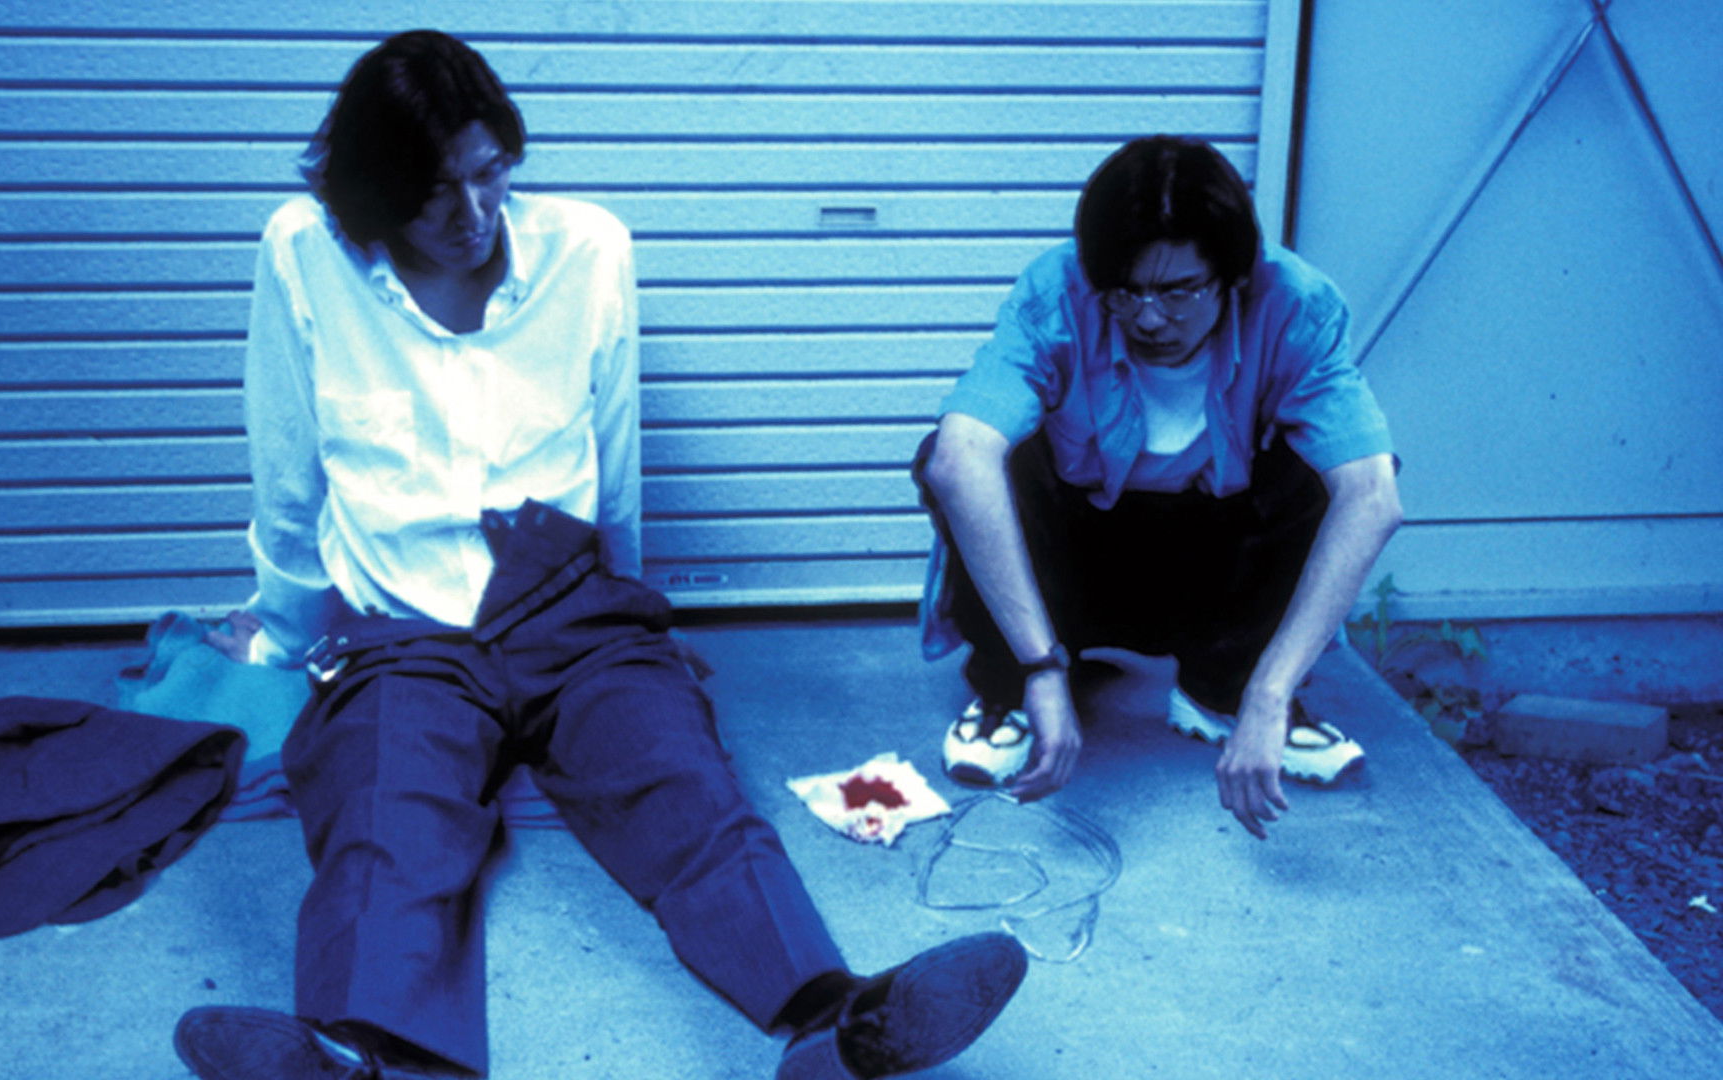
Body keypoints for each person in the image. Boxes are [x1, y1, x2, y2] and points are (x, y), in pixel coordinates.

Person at [170, 30, 1027, 1080]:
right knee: (386, 820)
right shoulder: (304, 249)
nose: (472, 213)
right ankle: (352, 1053)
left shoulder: (588, 249)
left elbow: (616, 460)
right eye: (433, 193)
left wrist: (632, 621)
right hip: (405, 628)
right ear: (371, 195)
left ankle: (832, 1022)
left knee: (688, 790)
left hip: (569, 604)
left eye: (490, 174)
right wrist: (286, 633)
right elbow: (289, 469)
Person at [917, 135, 1403, 839]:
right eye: (1125, 290)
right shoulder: (1058, 291)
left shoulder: (1295, 303)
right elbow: (959, 460)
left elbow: (1373, 496)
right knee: (959, 454)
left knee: (1336, 468)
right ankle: (1011, 687)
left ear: (1233, 275)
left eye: (1179, 292)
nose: (1148, 318)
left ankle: (1225, 689)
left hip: (1212, 561)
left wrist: (1270, 692)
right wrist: (1040, 667)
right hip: (1077, 559)